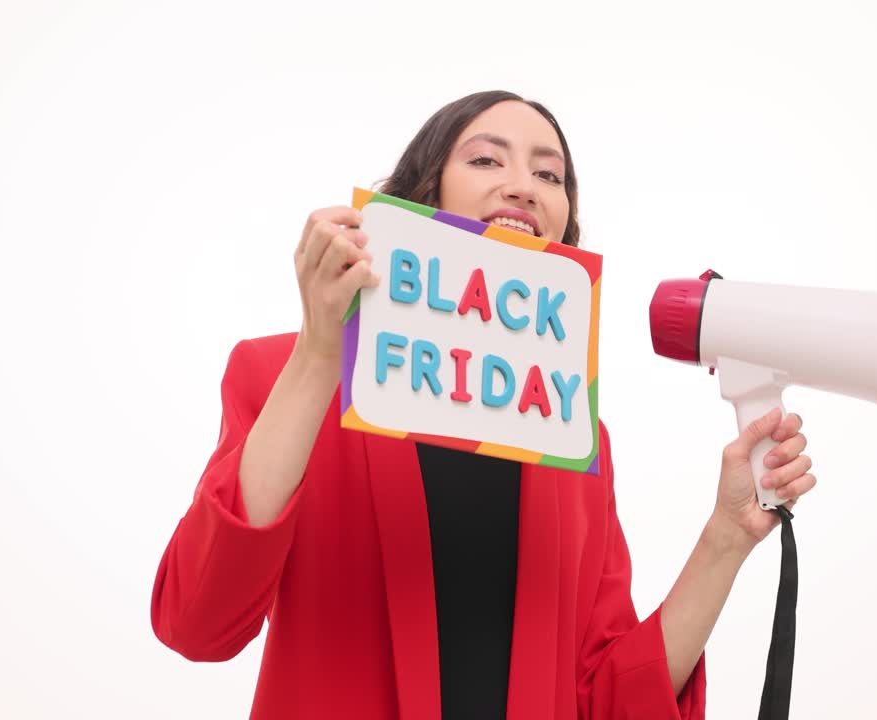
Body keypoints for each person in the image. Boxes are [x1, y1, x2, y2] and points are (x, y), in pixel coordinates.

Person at [150, 90, 818, 720]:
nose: (524, 185)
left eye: (550, 175)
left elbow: (609, 699)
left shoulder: (574, 438)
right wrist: (325, 352)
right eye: (485, 159)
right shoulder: (286, 374)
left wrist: (726, 540)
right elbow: (199, 622)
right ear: (423, 193)